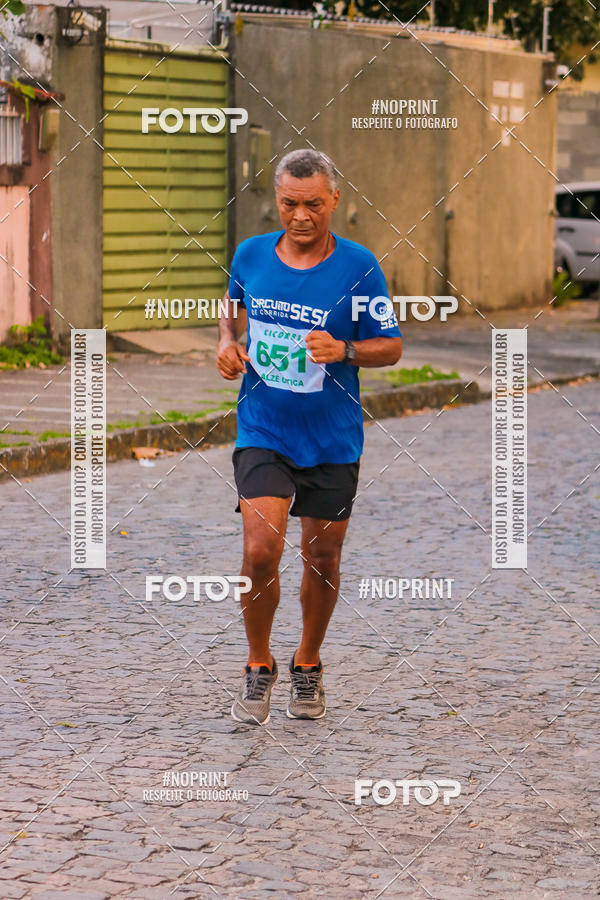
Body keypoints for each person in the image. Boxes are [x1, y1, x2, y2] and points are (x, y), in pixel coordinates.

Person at [216, 148, 402, 725]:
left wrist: (345, 349)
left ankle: (309, 662)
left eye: (313, 205)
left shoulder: (359, 266)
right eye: (290, 204)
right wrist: (226, 343)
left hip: (332, 439)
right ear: (278, 200)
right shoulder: (249, 254)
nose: (300, 216)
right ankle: (257, 665)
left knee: (321, 555)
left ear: (335, 201)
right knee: (258, 550)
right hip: (264, 429)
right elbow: (231, 310)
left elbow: (391, 347)